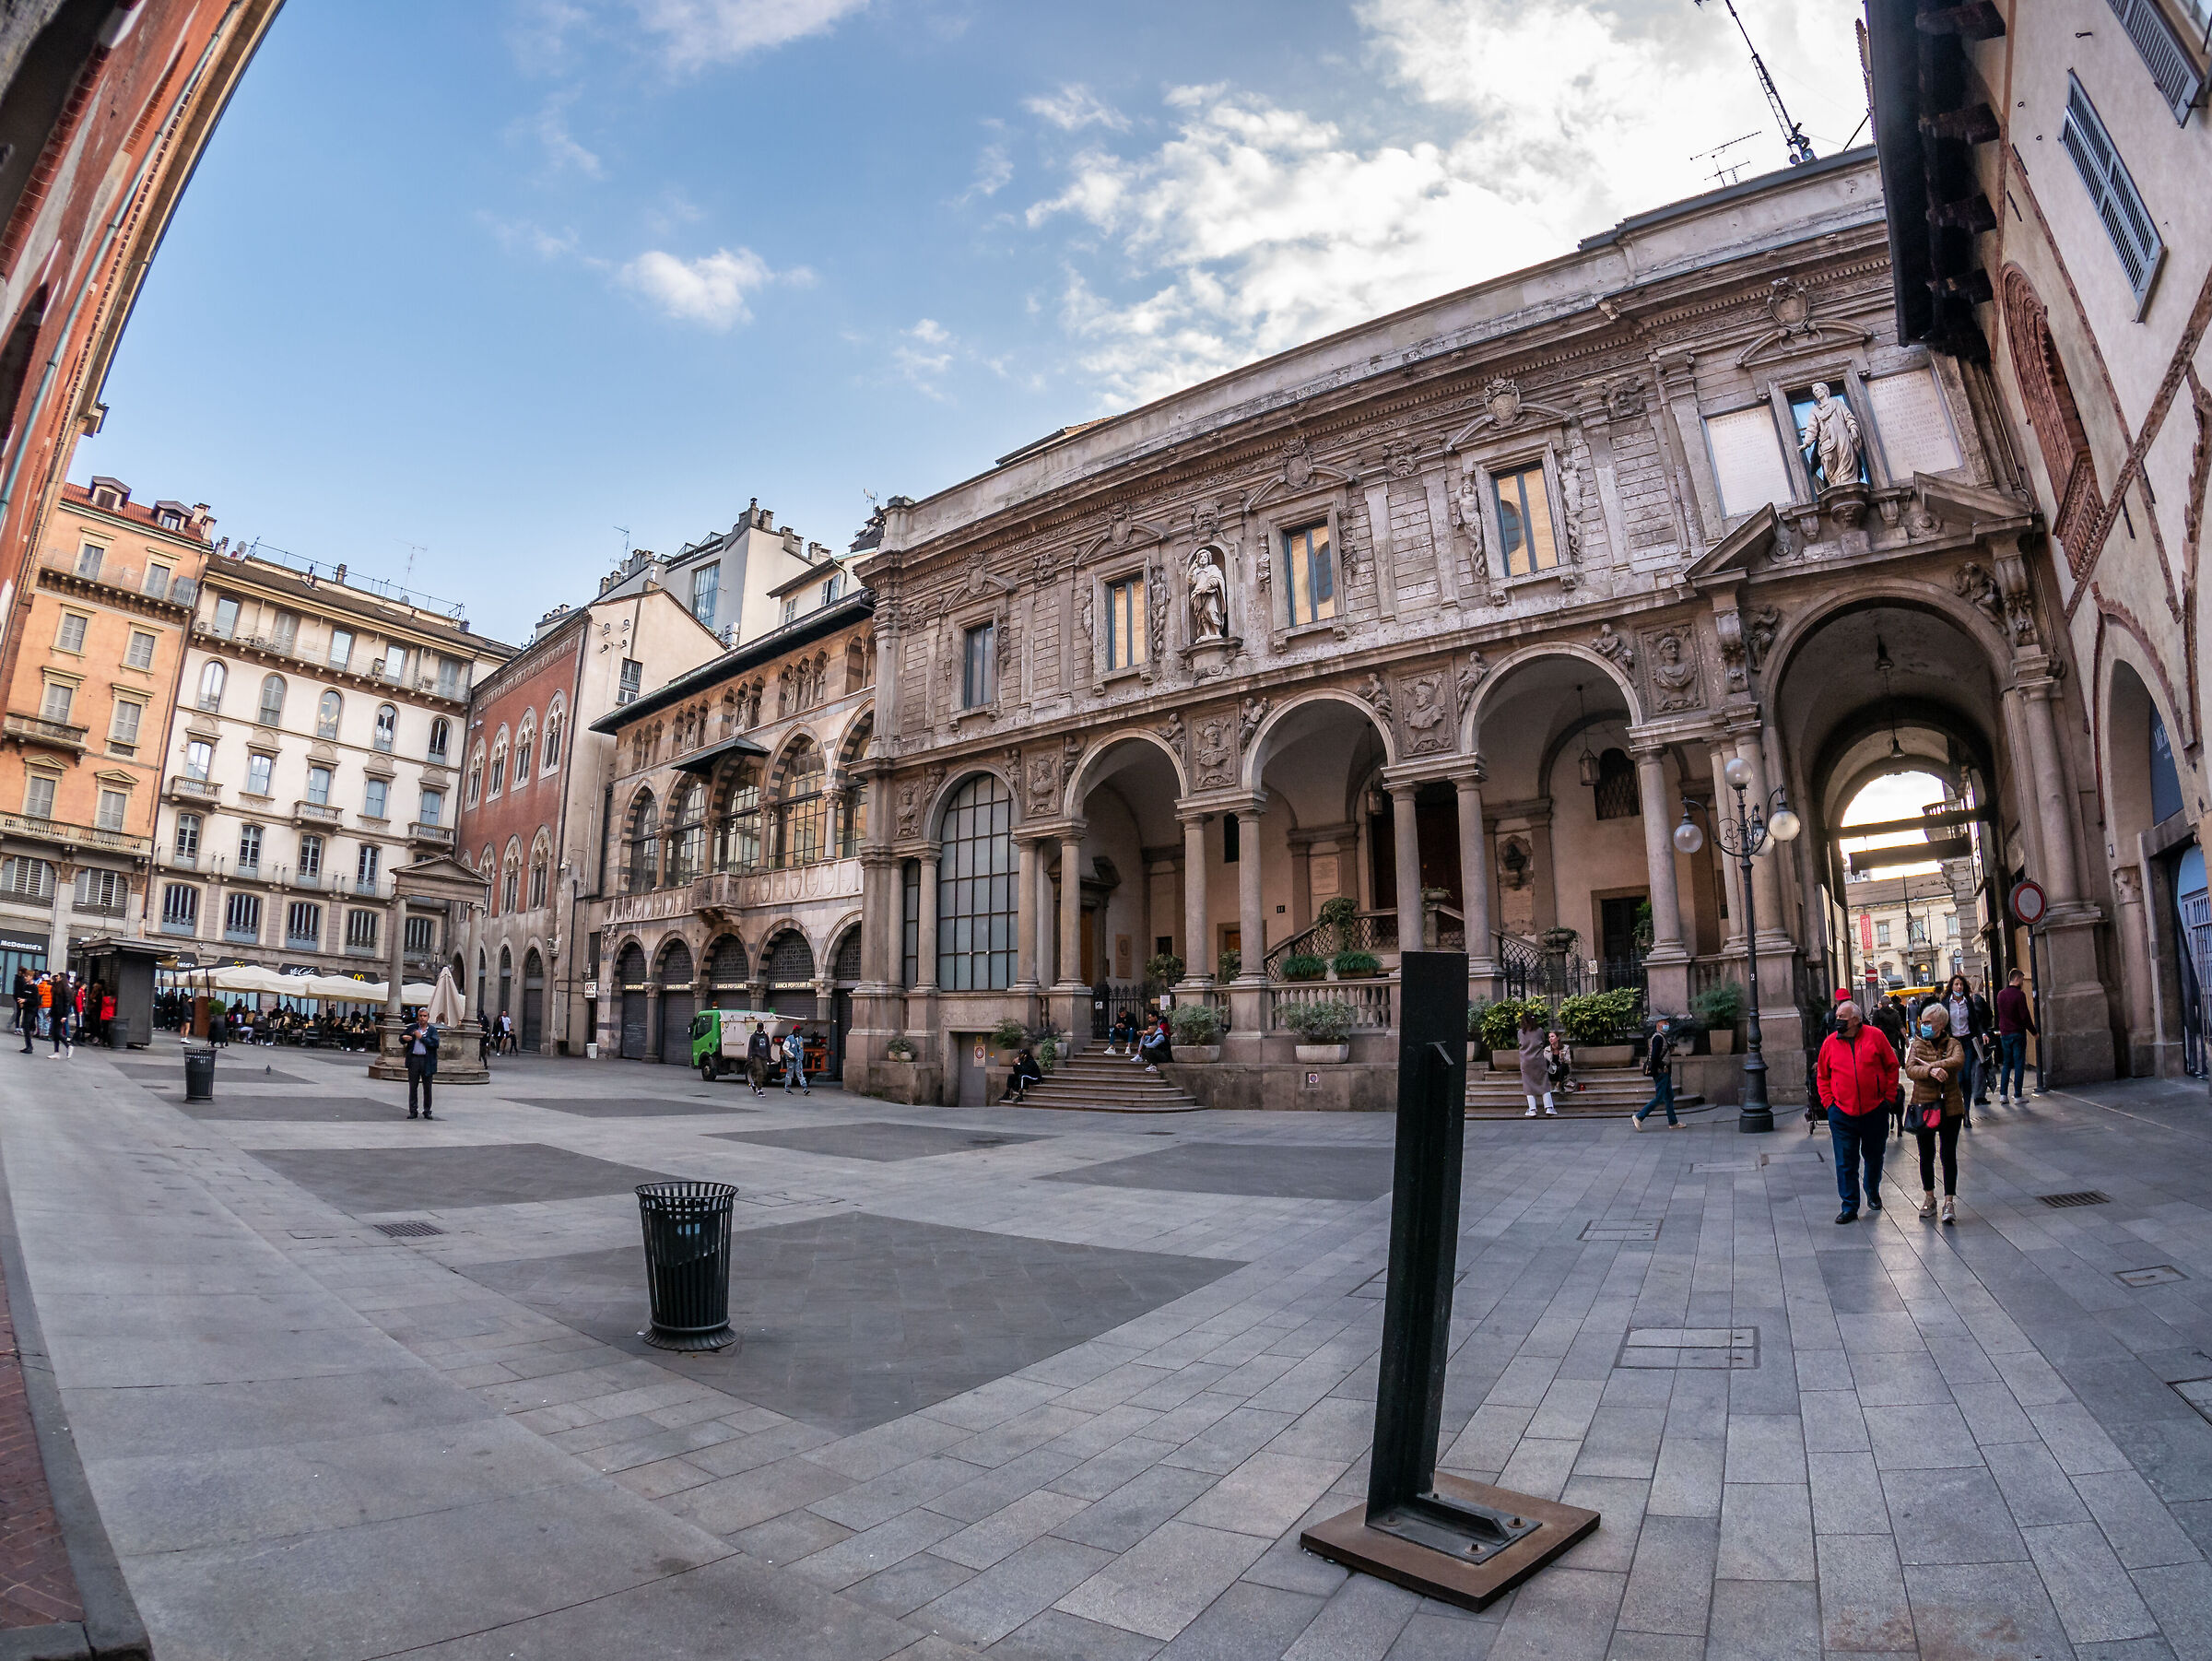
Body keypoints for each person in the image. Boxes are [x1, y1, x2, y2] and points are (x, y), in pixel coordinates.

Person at [1816, 999, 1899, 1225]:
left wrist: (1888, 1097)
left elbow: (1892, 1066)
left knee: (1874, 1156)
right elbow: (1822, 1075)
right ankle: (1849, 1205)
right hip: (1842, 1112)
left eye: (1842, 1018)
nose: (1837, 1021)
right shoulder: (1830, 1043)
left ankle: (1872, 1190)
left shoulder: (1875, 1036)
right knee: (1845, 1161)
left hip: (1874, 1110)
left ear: (1855, 1020)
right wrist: (1829, 1103)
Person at [1904, 1001, 1968, 1224]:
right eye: (1923, 1022)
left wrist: (1941, 1065)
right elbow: (1910, 1068)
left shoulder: (1953, 1043)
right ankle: (1929, 1197)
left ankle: (1949, 1200)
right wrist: (1932, 1070)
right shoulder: (1917, 1045)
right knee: (1926, 1154)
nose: (1924, 1026)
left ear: (1941, 1024)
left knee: (1948, 1154)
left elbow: (1958, 1060)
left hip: (1950, 1107)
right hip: (1924, 1106)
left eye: (1929, 1022)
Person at [1942, 972, 1993, 1124]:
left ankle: (1967, 1112)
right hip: (1952, 1043)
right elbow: (1942, 1023)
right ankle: (1957, 1108)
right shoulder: (1945, 1003)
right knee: (1958, 1078)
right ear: (1951, 986)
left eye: (1961, 985)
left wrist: (1982, 1033)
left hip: (1967, 1041)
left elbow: (1975, 1022)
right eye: (1956, 984)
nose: (1959, 987)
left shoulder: (1968, 1002)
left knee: (1967, 1077)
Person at [1993, 967, 2035, 1104]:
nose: (2022, 982)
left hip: (2005, 1033)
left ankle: (2003, 1095)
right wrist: (2034, 1032)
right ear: (2017, 979)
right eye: (2022, 979)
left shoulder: (2000, 994)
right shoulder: (2019, 995)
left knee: (2006, 1064)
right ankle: (2017, 1095)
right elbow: (2025, 1016)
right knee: (2018, 1064)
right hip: (2017, 1033)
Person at [1633, 1016, 1684, 1128]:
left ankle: (1673, 1122)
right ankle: (1639, 1117)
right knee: (1660, 1097)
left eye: (1667, 1023)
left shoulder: (1661, 1037)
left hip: (1664, 1071)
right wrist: (1663, 1066)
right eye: (1664, 1023)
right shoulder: (1658, 1038)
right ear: (1658, 1025)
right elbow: (1655, 1056)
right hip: (1661, 1071)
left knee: (1669, 1096)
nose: (1667, 1025)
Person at [1515, 1007, 1557, 1118]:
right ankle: (1549, 1107)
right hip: (1538, 1060)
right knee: (1544, 1082)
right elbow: (1542, 1042)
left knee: (1528, 1084)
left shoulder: (1520, 1032)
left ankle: (1532, 1109)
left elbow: (1520, 1044)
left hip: (1525, 1061)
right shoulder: (1540, 1031)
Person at [403, 1010, 439, 1120]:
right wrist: (404, 1038)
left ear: (428, 1017)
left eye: (425, 1016)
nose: (422, 1018)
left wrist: (421, 1038)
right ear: (418, 1017)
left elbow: (435, 1044)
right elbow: (402, 1037)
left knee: (427, 1087)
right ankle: (413, 1110)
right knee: (413, 1086)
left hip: (426, 1061)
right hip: (414, 1059)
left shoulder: (432, 1030)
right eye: (421, 1016)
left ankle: (427, 1110)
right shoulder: (413, 1028)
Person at [781, 1026, 810, 1095]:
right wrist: (791, 1055)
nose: (798, 1032)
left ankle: (805, 1088)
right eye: (797, 1030)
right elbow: (785, 1048)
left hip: (798, 1059)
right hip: (791, 1060)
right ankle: (787, 1089)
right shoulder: (789, 1038)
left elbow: (801, 1048)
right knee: (789, 1074)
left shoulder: (800, 1039)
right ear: (794, 1030)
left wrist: (801, 1057)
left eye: (799, 1030)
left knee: (800, 1073)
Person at [746, 1021, 771, 1094]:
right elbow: (750, 1047)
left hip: (764, 1056)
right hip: (756, 1056)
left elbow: (767, 1047)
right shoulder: (753, 1036)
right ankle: (760, 1089)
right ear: (757, 1028)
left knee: (765, 1071)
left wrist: (769, 1057)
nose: (760, 1029)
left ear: (763, 1028)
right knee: (760, 1071)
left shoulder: (765, 1036)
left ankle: (754, 1083)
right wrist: (749, 1057)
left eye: (761, 1027)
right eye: (759, 1027)